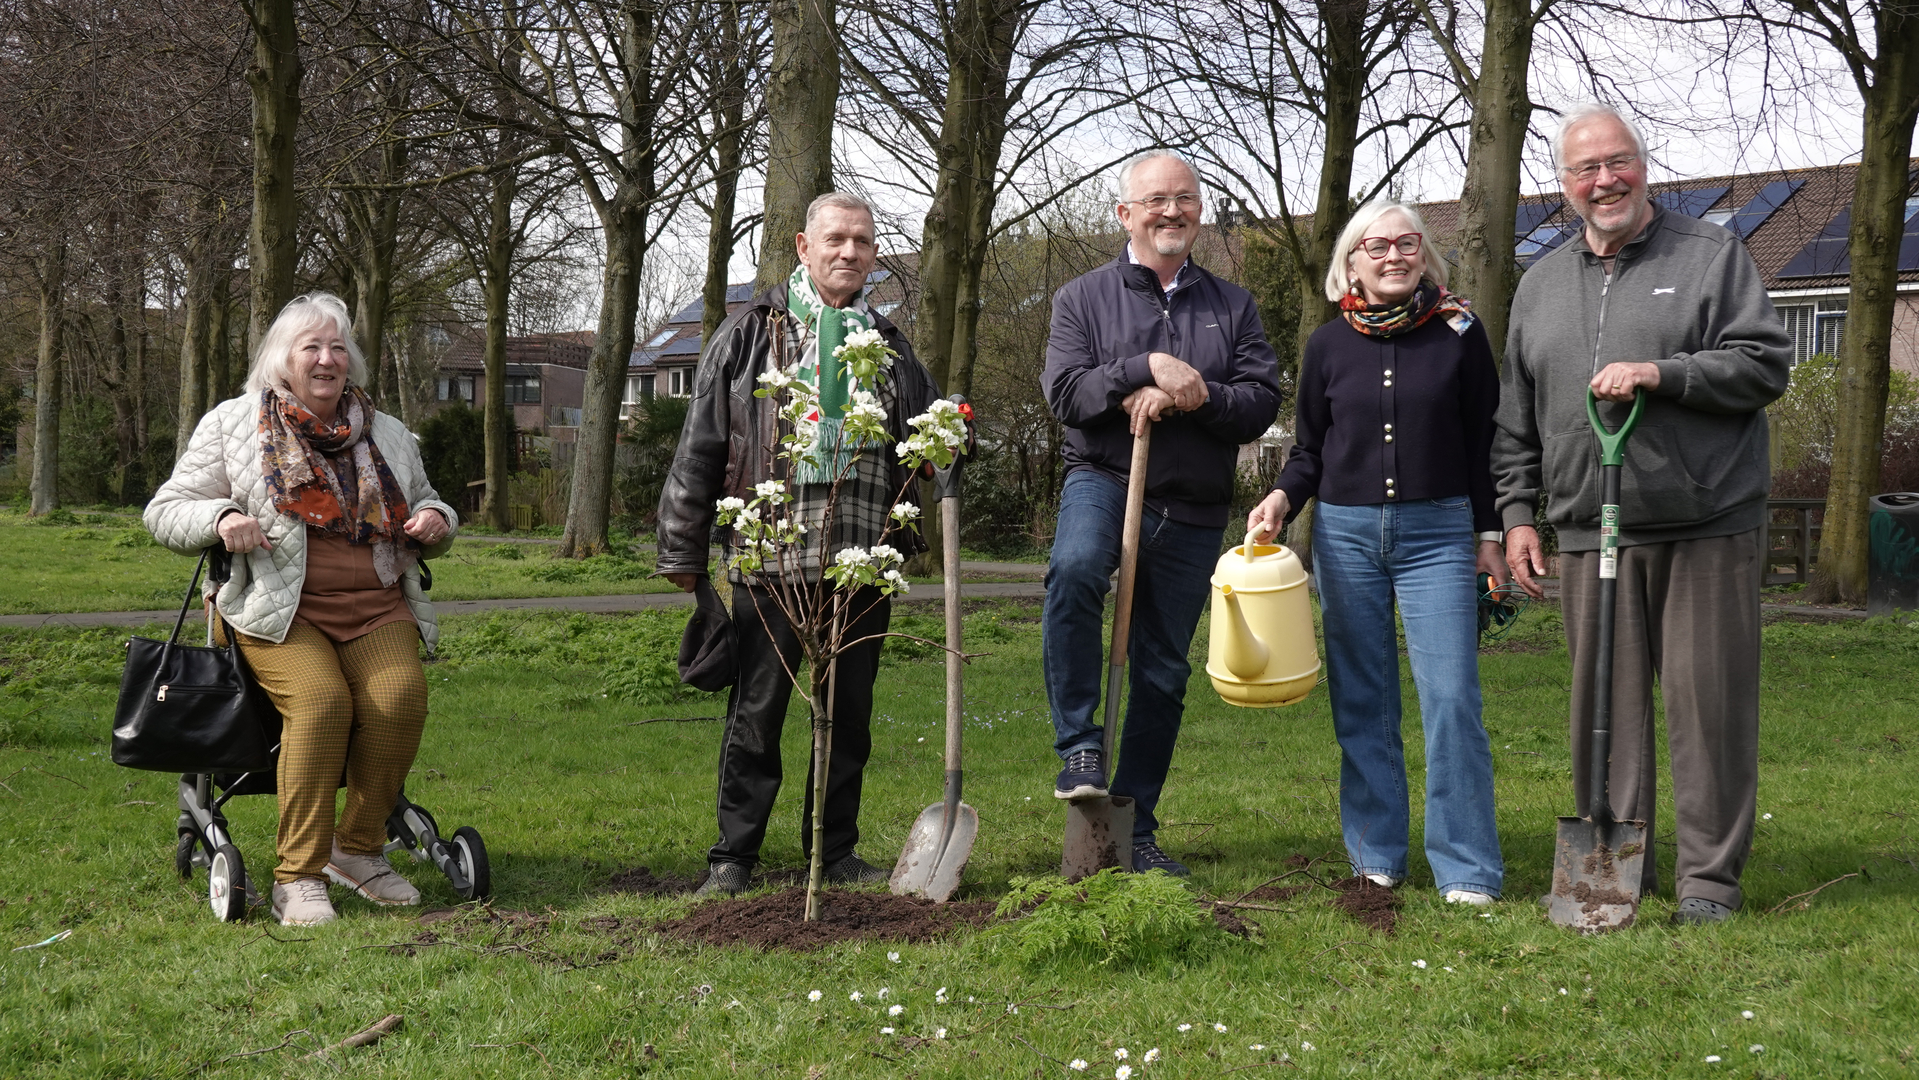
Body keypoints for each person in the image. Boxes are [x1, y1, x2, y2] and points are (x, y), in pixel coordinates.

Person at [1494, 104, 1792, 924]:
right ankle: (1616, 870)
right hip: (1590, 528)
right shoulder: (1539, 284)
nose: (1604, 180)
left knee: (1708, 710)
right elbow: (1514, 416)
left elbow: (1764, 363)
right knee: (1604, 712)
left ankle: (1708, 884)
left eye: (1617, 161)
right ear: (1563, 185)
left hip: (1704, 521)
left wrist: (1663, 373)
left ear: (1642, 166)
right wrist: (1519, 512)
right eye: (1585, 169)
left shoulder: (1709, 256)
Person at [656, 192, 939, 897]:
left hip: (865, 553)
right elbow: (703, 441)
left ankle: (833, 851)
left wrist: (939, 451)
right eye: (835, 238)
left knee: (849, 710)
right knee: (758, 710)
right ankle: (733, 857)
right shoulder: (749, 332)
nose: (849, 251)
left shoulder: (891, 344)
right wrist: (682, 550)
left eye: (863, 242)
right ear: (802, 246)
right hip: (772, 550)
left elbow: (930, 433)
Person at [146, 292, 458, 927]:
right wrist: (222, 514)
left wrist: (434, 519)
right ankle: (299, 875)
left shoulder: (387, 433)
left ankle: (357, 849)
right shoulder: (234, 424)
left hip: (377, 605)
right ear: (282, 361)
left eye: (337, 347)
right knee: (321, 704)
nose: (326, 359)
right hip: (278, 611)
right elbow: (164, 509)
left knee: (400, 698)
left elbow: (433, 505)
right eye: (311, 347)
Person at [1245, 199, 1507, 905]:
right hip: (1345, 536)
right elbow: (1308, 449)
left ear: (1424, 254)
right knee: (1362, 701)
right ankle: (1375, 858)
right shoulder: (1327, 346)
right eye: (1376, 246)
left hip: (1438, 536)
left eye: (1407, 244)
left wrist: (1489, 534)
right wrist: (1280, 499)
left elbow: (1485, 444)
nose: (1394, 256)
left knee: (1451, 699)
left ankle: (1467, 869)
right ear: (1350, 263)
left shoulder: (1459, 330)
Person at [1042, 150, 1283, 876]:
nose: (1170, 211)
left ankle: (1135, 827)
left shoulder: (1232, 304)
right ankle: (1079, 744)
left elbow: (1260, 404)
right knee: (1076, 568)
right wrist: (1144, 369)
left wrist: (1194, 393)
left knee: (1160, 671)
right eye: (1154, 200)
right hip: (1106, 477)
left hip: (1192, 503)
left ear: (1199, 211)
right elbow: (1067, 395)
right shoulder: (1081, 299)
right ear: (1124, 214)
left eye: (1183, 199)